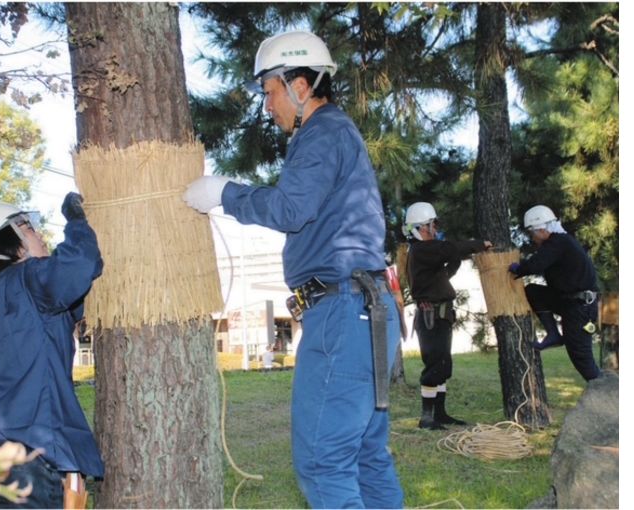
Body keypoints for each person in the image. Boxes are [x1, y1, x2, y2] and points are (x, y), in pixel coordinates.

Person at [183, 30, 403, 509]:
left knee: (325, 464)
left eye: (270, 91)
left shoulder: (321, 133)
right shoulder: (338, 133)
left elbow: (291, 208)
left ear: (300, 86)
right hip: (365, 310)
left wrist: (224, 193)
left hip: (343, 312)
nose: (267, 106)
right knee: (367, 458)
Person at [0, 192, 104, 508]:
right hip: (32, 457)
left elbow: (67, 302)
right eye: (28, 228)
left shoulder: (0, 293)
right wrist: (77, 221)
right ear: (9, 244)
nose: (40, 235)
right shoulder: (29, 278)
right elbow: (79, 264)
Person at [403, 202, 492, 430]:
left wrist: (454, 262)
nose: (435, 229)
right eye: (433, 224)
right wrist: (479, 245)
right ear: (423, 227)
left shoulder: (425, 252)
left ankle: (439, 414)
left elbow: (447, 262)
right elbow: (449, 249)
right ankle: (427, 418)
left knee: (443, 365)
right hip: (431, 316)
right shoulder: (422, 250)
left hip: (439, 315)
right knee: (434, 364)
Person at [508, 204, 601, 381]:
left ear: (542, 229)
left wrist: (518, 268)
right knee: (534, 292)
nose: (533, 238)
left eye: (532, 233)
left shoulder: (558, 242)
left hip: (580, 307)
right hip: (568, 301)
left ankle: (603, 391)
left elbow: (536, 264)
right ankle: (553, 334)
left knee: (581, 357)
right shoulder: (560, 242)